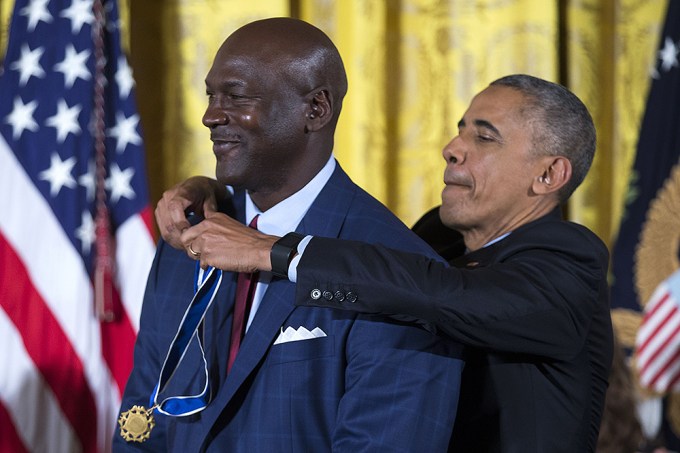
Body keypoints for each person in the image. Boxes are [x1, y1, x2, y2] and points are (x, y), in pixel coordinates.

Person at [161, 74, 614, 452]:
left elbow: (442, 293)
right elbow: (378, 269)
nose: (452, 148)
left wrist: (275, 250)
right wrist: (217, 194)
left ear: (548, 175)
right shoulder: (438, 238)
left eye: (484, 137)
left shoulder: (570, 256)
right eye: (459, 130)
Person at [114, 17, 465, 452]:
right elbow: (142, 422)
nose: (210, 116)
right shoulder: (187, 234)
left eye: (236, 96)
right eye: (210, 95)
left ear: (315, 109)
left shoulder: (400, 272)